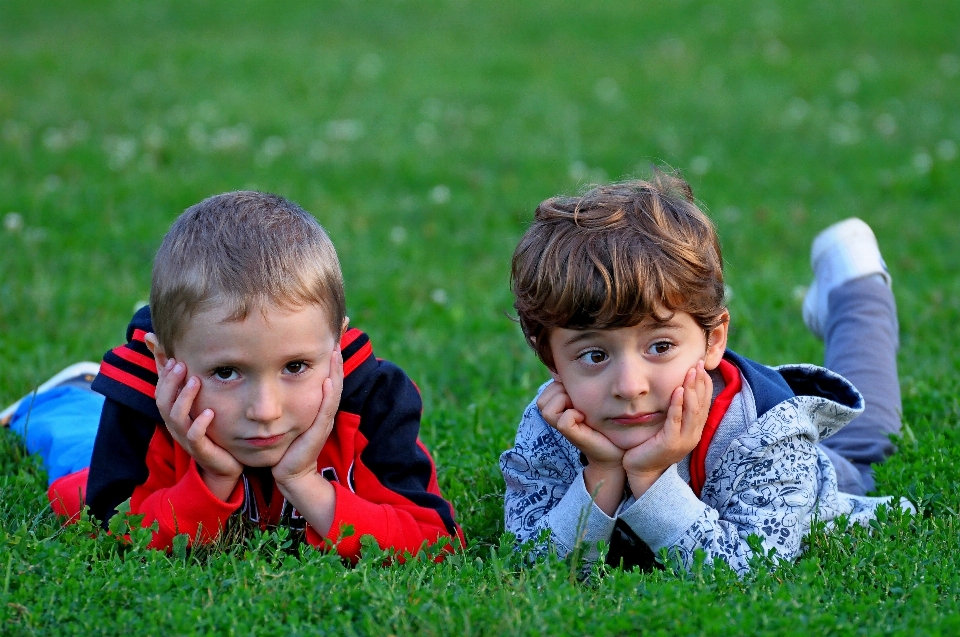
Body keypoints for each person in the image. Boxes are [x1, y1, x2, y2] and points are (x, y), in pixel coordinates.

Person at [4, 191, 463, 559]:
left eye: (295, 367)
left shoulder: (374, 402)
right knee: (73, 466)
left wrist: (305, 482)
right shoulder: (144, 399)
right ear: (167, 363)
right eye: (226, 372)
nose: (265, 411)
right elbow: (108, 534)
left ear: (336, 348)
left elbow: (436, 541)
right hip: (104, 450)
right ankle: (62, 398)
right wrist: (211, 478)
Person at [500, 172, 907, 574]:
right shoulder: (553, 422)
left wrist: (650, 475)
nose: (629, 386)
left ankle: (856, 280)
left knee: (869, 438)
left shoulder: (768, 433)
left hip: (810, 473)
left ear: (713, 340)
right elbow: (534, 563)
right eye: (593, 355)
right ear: (551, 359)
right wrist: (602, 473)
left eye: (660, 346)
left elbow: (748, 568)